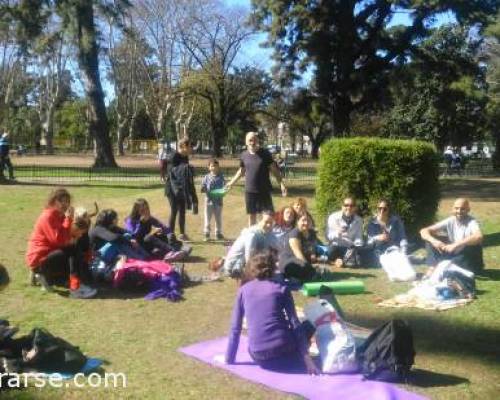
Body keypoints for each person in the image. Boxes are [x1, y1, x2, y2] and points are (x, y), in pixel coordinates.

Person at [224, 252, 319, 374]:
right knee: (308, 325)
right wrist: (308, 360)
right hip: (284, 350)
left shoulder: (243, 291)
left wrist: (229, 358)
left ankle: (292, 357)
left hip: (258, 356)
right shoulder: (281, 289)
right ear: (274, 269)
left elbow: (235, 328)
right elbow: (295, 324)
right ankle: (297, 357)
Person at [26, 188, 96, 298]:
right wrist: (68, 220)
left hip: (49, 254)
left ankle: (52, 279)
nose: (65, 204)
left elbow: (66, 234)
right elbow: (59, 240)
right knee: (73, 249)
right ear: (53, 201)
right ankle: (75, 288)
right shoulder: (48, 216)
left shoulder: (60, 215)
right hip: (40, 258)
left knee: (76, 245)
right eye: (61, 201)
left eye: (67, 201)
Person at [225, 131, 287, 226]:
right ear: (246, 142)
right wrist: (231, 183)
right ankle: (253, 237)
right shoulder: (244, 155)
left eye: (254, 140)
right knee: (252, 217)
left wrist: (281, 184)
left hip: (264, 190)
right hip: (250, 191)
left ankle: (267, 238)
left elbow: (274, 170)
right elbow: (241, 171)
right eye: (250, 140)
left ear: (257, 140)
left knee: (268, 216)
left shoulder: (265, 153)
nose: (252, 142)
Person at [420, 198, 484, 273]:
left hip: (469, 257)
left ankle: (443, 265)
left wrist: (455, 245)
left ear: (468, 210)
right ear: (452, 209)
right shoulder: (450, 220)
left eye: (462, 209)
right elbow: (424, 231)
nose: (459, 211)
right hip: (455, 253)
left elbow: (479, 236)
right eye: (456, 208)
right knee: (430, 239)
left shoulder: (472, 222)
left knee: (447, 266)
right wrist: (434, 241)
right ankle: (432, 267)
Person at [124, 198, 190, 261]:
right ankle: (173, 251)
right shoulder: (130, 220)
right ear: (136, 210)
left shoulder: (148, 217)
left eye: (146, 209)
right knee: (149, 237)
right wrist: (141, 223)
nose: (145, 211)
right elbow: (133, 236)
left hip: (147, 244)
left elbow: (162, 226)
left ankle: (176, 250)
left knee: (161, 235)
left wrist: (169, 233)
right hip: (138, 246)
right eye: (142, 210)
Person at [160, 137, 198, 241]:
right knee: (174, 210)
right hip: (172, 188)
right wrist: (186, 168)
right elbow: (173, 173)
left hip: (181, 188)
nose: (191, 148)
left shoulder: (185, 157)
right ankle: (170, 235)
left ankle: (182, 234)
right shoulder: (174, 156)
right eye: (190, 146)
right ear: (183, 146)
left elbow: (184, 172)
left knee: (182, 210)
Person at [223, 211, 279, 278]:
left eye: (271, 223)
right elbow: (249, 257)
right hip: (235, 265)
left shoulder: (269, 233)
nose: (268, 225)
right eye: (266, 222)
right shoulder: (252, 235)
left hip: (251, 262)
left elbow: (276, 249)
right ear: (259, 220)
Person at [279, 213, 321, 283]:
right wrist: (311, 268)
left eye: (308, 220)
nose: (306, 223)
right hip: (289, 261)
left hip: (302, 261)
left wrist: (313, 256)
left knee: (307, 268)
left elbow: (312, 249)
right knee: (303, 268)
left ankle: (305, 275)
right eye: (303, 220)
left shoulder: (312, 233)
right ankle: (298, 276)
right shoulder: (294, 234)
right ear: (297, 222)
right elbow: (298, 254)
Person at [367, 199, 408, 266]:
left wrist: (403, 251)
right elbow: (369, 241)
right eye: (380, 208)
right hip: (378, 251)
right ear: (377, 209)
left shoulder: (396, 221)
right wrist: (377, 237)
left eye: (385, 209)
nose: (382, 211)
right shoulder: (372, 223)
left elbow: (403, 237)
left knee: (399, 260)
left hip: (394, 248)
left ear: (388, 210)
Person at [325, 197, 364, 268]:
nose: (349, 208)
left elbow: (359, 237)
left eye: (351, 205)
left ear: (355, 207)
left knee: (361, 254)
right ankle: (340, 260)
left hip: (349, 248)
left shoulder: (359, 220)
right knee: (330, 251)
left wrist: (356, 247)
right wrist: (338, 233)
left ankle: (341, 260)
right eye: (346, 205)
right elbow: (328, 237)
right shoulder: (333, 217)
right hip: (336, 246)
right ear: (342, 206)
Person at [200, 158, 225, 241]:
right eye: (212, 166)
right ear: (209, 167)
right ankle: (206, 233)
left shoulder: (221, 177)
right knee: (207, 218)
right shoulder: (206, 177)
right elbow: (202, 187)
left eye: (216, 166)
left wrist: (223, 191)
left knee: (218, 218)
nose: (214, 168)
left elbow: (224, 188)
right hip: (208, 202)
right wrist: (203, 188)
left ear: (218, 167)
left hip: (218, 202)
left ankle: (218, 233)